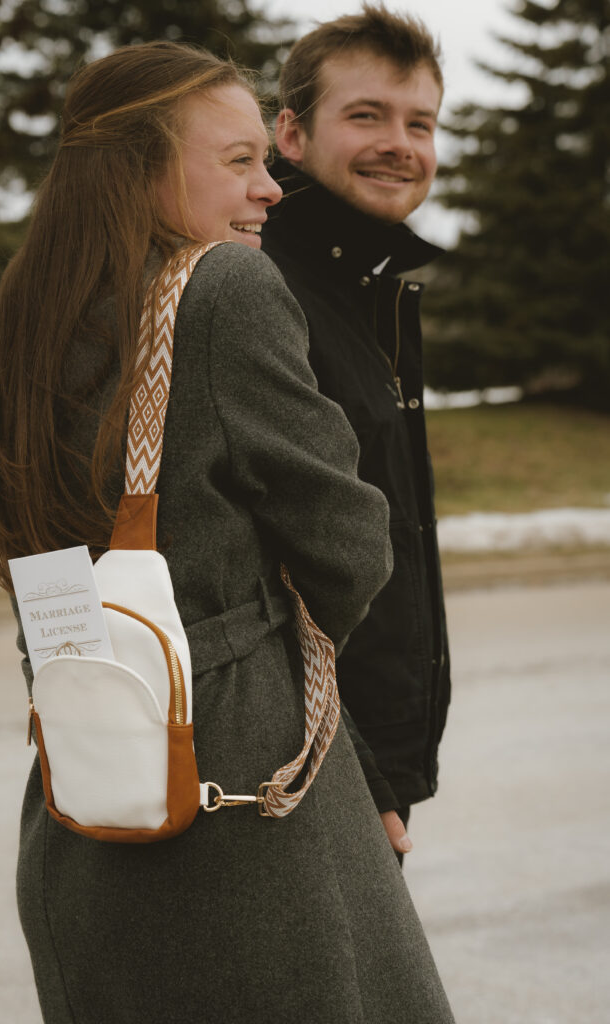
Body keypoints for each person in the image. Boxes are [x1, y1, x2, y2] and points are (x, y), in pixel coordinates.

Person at [0, 41, 454, 1023]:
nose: (266, 190)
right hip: (245, 784)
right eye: (236, 161)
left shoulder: (33, 304)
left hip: (89, 773)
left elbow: (35, 558)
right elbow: (350, 538)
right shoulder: (223, 287)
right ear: (141, 169)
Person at [262, 3, 451, 861]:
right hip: (306, 772)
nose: (400, 144)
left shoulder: (365, 291)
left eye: (420, 122)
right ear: (290, 134)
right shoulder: (265, 289)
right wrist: (362, 779)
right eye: (366, 115)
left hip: (361, 766)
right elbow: (253, 568)